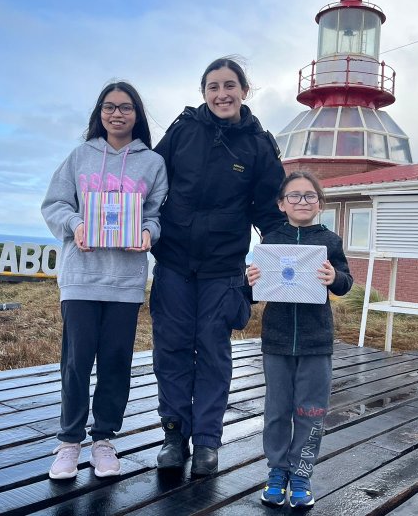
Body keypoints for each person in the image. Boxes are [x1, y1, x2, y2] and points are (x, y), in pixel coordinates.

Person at [150, 57, 285, 476]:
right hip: (172, 261)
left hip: (224, 268)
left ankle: (207, 441)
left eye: (230, 85)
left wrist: (300, 254)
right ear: (203, 92)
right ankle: (174, 435)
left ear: (245, 90)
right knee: (170, 348)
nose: (221, 94)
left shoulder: (260, 146)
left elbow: (271, 212)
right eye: (212, 87)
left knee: (213, 351)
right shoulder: (182, 130)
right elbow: (149, 181)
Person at [41, 81, 168, 480]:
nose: (117, 114)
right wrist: (76, 224)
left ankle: (104, 439)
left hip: (126, 281)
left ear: (137, 114)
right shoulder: (80, 156)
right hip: (81, 276)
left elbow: (155, 213)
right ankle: (68, 441)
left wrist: (149, 234)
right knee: (76, 362)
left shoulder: (152, 162)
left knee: (116, 362)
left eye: (126, 107)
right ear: (99, 113)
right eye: (110, 107)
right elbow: (55, 204)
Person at [247, 170, 353, 508]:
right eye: (294, 195)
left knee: (311, 410)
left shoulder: (330, 241)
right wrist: (250, 279)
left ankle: (303, 473)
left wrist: (334, 276)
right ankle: (277, 471)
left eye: (309, 196)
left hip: (316, 341)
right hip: (276, 340)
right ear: (281, 203)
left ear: (320, 203)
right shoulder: (270, 239)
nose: (302, 201)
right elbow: (254, 290)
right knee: (277, 411)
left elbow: (345, 282)